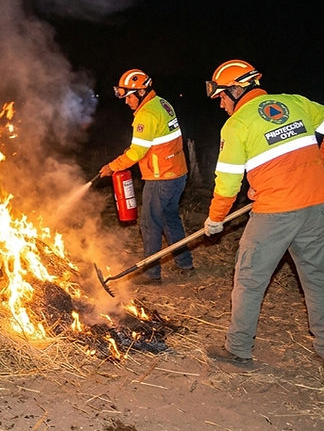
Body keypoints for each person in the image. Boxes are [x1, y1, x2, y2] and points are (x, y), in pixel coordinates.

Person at [201, 59, 324, 368]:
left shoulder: (237, 125)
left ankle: (238, 349)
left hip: (274, 214)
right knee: (318, 278)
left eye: (222, 97)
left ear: (236, 90)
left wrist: (215, 218)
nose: (221, 105)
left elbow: (228, 183)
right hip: (316, 205)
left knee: (249, 279)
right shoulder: (296, 103)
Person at [98, 68, 194, 284]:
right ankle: (185, 264)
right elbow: (151, 143)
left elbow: (136, 153)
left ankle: (151, 274)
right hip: (178, 173)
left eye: (129, 96)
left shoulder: (146, 114)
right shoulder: (161, 103)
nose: (126, 101)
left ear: (141, 92)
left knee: (150, 223)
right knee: (170, 218)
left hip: (161, 177)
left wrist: (112, 167)